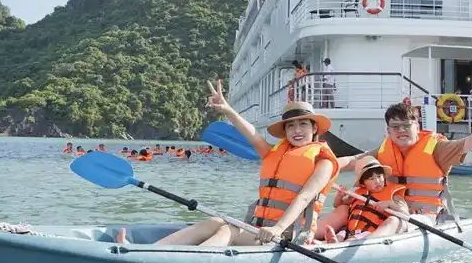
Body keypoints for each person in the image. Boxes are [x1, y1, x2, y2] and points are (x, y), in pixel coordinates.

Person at [116, 80, 340, 246]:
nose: (297, 130)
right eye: (291, 126)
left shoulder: (323, 162)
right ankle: (149, 252)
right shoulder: (276, 152)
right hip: (259, 228)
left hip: (288, 235)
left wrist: (278, 228)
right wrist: (227, 109)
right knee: (214, 222)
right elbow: (251, 134)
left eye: (303, 124)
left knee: (229, 233)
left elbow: (304, 197)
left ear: (314, 129)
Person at [328, 102, 472, 230]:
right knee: (344, 210)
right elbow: (354, 160)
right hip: (388, 210)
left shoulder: (437, 148)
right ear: (388, 130)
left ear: (417, 126)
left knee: (396, 222)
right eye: (395, 126)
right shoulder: (384, 150)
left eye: (406, 125)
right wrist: (325, 165)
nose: (401, 131)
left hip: (424, 217)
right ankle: (313, 237)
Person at [321, 156, 407, 243]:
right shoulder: (357, 193)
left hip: (369, 232)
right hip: (350, 230)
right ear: (363, 183)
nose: (377, 181)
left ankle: (341, 243)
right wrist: (339, 196)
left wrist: (390, 204)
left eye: (379, 176)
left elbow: (404, 213)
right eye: (371, 179)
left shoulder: (394, 195)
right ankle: (333, 241)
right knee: (341, 234)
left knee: (352, 239)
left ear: (384, 177)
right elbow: (337, 205)